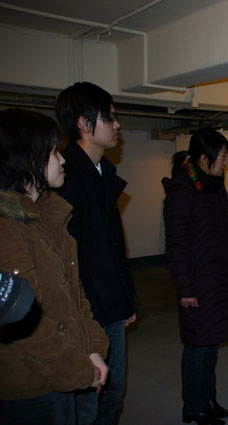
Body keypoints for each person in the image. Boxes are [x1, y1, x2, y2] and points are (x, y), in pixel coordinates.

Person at [0, 108, 109, 425]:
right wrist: (78, 370)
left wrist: (91, 348)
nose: (62, 160)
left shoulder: (48, 216)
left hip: (61, 371)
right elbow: (27, 326)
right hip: (30, 386)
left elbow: (73, 295)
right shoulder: (8, 229)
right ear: (25, 159)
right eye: (52, 152)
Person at [55, 82, 137, 425]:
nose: (117, 125)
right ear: (84, 123)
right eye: (110, 118)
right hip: (86, 310)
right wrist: (91, 313)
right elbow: (69, 260)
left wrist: (124, 298)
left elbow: (112, 246)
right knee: (88, 401)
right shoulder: (65, 180)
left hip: (110, 303)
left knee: (113, 393)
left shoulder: (102, 172)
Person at [162, 127, 228, 425]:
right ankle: (194, 407)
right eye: (222, 157)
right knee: (197, 346)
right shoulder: (180, 193)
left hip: (218, 275)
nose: (225, 163)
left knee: (210, 343)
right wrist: (185, 288)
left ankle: (208, 399)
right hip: (196, 282)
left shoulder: (215, 186)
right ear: (202, 159)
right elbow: (176, 246)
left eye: (225, 157)